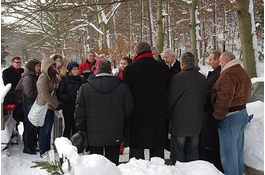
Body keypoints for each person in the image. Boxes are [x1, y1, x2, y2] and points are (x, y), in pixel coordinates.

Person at [75, 60, 133, 165]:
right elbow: (128, 109)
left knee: (97, 165)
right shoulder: (122, 86)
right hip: (115, 130)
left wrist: (82, 128)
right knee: (112, 163)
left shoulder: (85, 87)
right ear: (111, 70)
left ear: (96, 70)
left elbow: (79, 112)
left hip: (93, 132)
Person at [123, 42, 170, 160]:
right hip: (158, 114)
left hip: (137, 114)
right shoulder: (163, 68)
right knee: (157, 151)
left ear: (137, 53)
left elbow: (127, 92)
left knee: (136, 153)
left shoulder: (130, 69)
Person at [211, 51, 251, 175]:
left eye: (221, 61)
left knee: (228, 155)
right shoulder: (242, 72)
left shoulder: (228, 75)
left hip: (230, 116)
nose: (219, 64)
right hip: (241, 113)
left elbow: (224, 98)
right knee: (237, 153)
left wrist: (217, 117)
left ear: (227, 61)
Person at [167, 52, 207, 164]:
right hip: (196, 121)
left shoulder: (178, 78)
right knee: (193, 151)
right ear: (194, 63)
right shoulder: (202, 78)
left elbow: (171, 99)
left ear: (182, 64)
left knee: (178, 152)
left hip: (179, 122)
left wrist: (168, 116)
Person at [200, 50, 223, 172]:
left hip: (211, 114)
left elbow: (212, 94)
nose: (208, 62)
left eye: (210, 60)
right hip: (208, 113)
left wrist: (202, 102)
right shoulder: (214, 73)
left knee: (211, 146)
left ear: (218, 60)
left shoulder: (219, 75)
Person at [37, 56, 63, 158]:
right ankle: (43, 150)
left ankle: (47, 148)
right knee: (45, 130)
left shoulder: (50, 77)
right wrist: (56, 104)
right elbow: (45, 94)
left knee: (48, 130)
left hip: (50, 107)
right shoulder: (43, 77)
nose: (53, 68)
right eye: (51, 66)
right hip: (45, 107)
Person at [57, 61, 82, 139]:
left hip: (77, 106)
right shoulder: (65, 80)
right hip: (68, 106)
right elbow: (60, 94)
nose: (76, 71)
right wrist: (69, 97)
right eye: (74, 69)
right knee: (68, 126)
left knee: (76, 126)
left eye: (77, 69)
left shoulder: (79, 80)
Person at [21, 59, 41, 155]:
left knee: (33, 125)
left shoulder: (33, 76)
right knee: (29, 126)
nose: (39, 68)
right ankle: (27, 146)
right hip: (28, 103)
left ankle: (31, 145)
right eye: (38, 66)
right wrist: (40, 93)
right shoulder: (28, 78)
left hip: (32, 103)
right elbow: (29, 93)